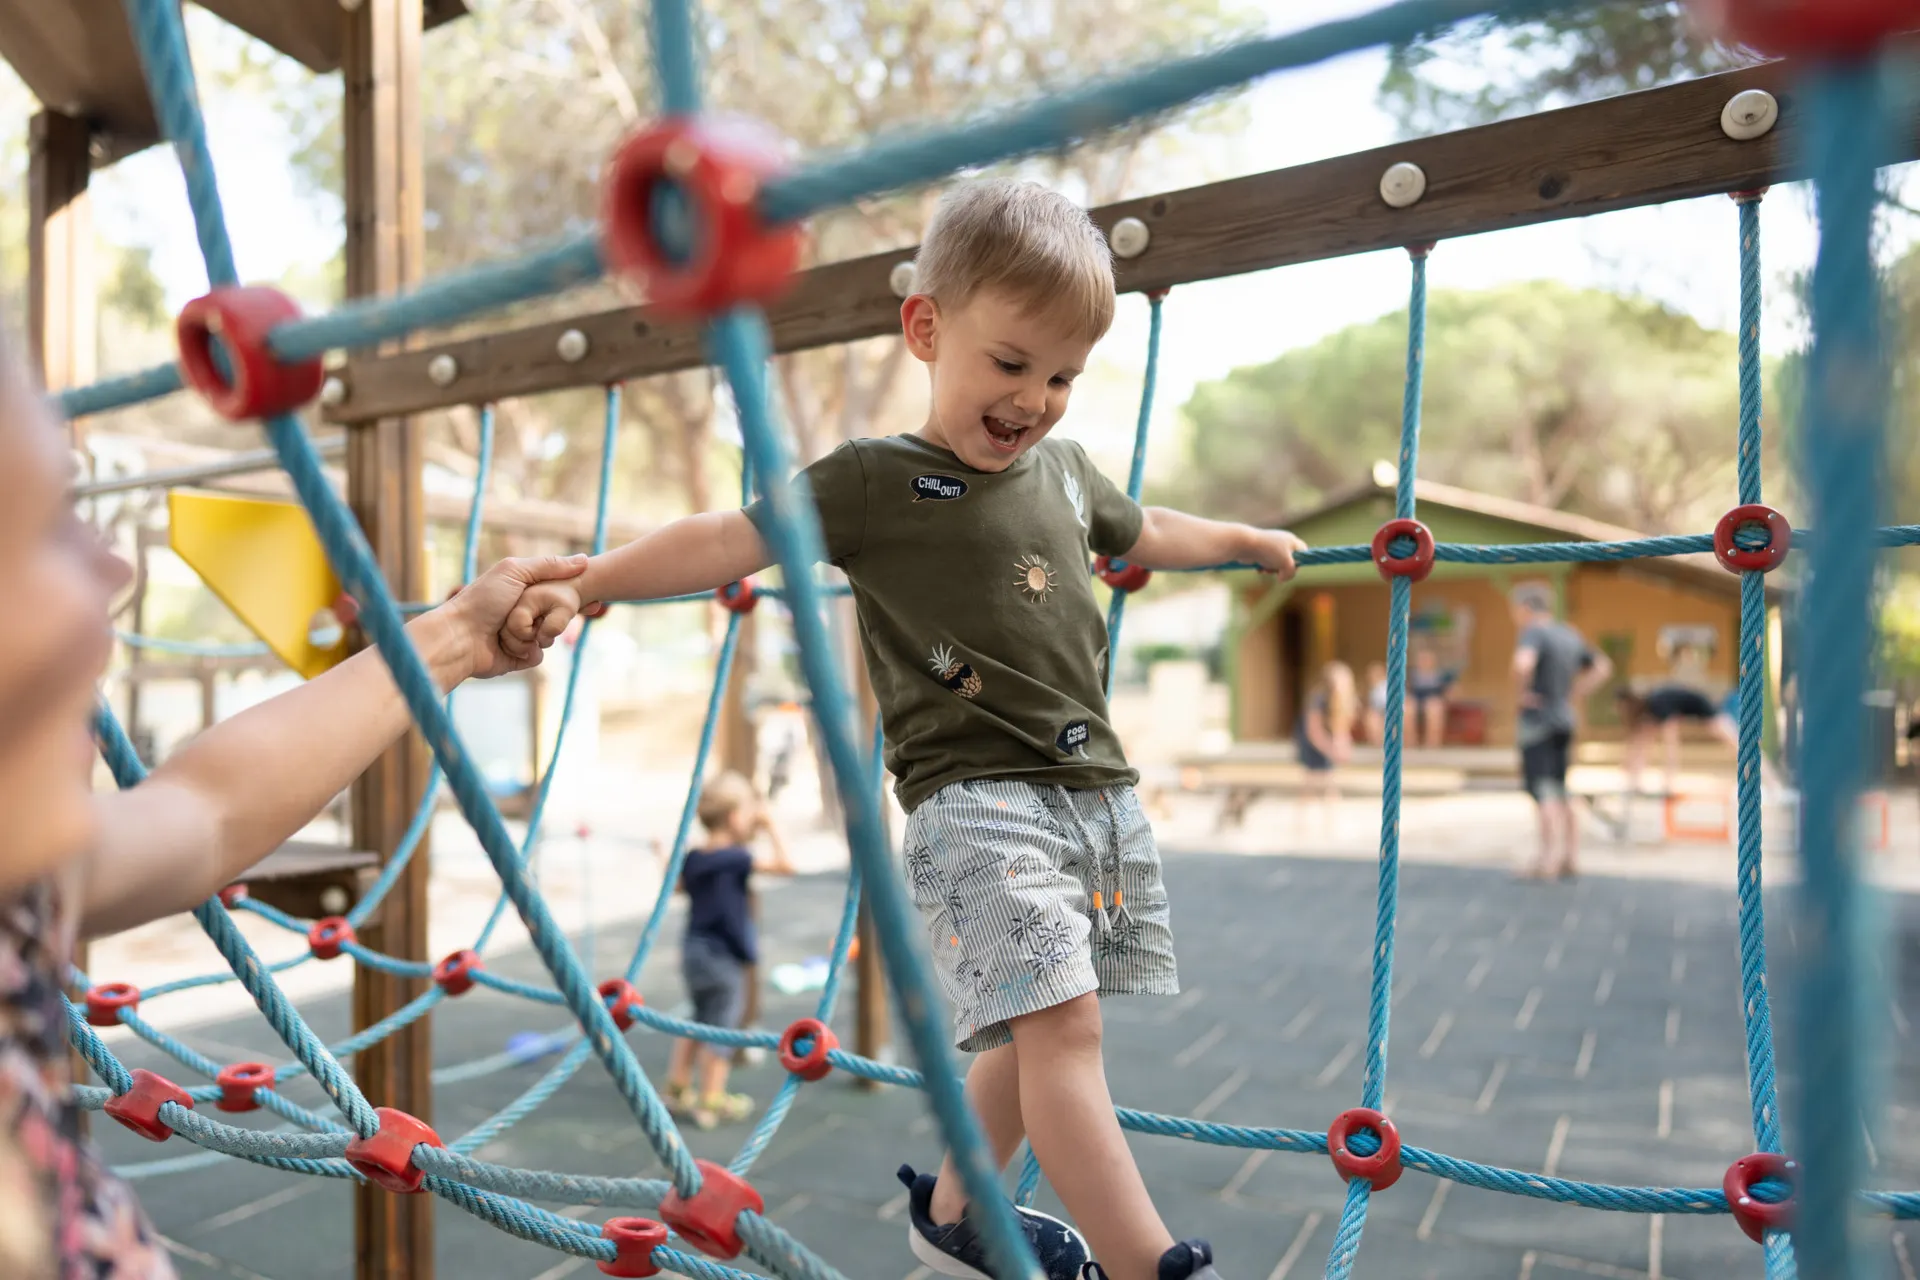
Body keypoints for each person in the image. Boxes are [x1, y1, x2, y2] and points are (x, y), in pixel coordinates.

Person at [502, 177, 1304, 1280]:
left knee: (1037, 1026)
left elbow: (1147, 528)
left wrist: (1243, 535)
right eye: (1013, 362)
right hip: (976, 801)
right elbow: (730, 537)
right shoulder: (876, 481)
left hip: (1096, 797)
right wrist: (599, 579)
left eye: (1064, 374)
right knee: (1067, 1031)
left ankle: (961, 1210)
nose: (1037, 397)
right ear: (926, 330)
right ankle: (1144, 1262)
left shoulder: (1065, 474)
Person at [0, 338, 593, 1279]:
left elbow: (205, 810)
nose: (112, 570)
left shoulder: (17, 895)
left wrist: (447, 639)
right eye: (43, 527)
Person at [663, 770, 794, 1129]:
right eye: (750, 814)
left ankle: (675, 1088)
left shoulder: (695, 857)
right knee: (722, 1029)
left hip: (693, 951)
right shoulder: (736, 857)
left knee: (698, 1017)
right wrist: (769, 825)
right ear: (736, 817)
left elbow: (676, 888)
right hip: (722, 957)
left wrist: (663, 856)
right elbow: (787, 865)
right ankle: (710, 1100)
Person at [1509, 583, 1612, 880]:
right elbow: (1603, 667)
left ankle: (1546, 861)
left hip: (1539, 722)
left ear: (1526, 608)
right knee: (1562, 788)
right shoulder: (1569, 633)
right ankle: (1570, 857)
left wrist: (1522, 693)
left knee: (1544, 793)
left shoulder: (1533, 632)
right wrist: (1574, 693)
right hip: (1565, 720)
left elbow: (1522, 662)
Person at [1614, 683, 1739, 796]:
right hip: (1691, 706)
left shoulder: (1658, 705)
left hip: (1702, 706)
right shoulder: (1649, 710)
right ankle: (1634, 780)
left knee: (1729, 738)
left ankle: (1755, 765)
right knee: (1643, 739)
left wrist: (1668, 783)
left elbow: (1671, 743)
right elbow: (1639, 742)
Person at [1295, 661, 1356, 830]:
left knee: (1328, 781)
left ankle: (1329, 821)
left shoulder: (1342, 700)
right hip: (1313, 743)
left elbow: (1341, 728)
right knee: (1313, 781)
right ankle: (1303, 821)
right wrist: (1331, 750)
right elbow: (1314, 731)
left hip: (1326, 742)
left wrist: (1343, 746)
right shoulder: (1319, 699)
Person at [1408, 643, 1454, 748]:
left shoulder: (1441, 676)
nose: (1425, 662)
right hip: (1415, 701)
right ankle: (1410, 743)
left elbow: (1449, 693)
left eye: (1428, 659)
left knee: (1433, 708)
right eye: (1422, 659)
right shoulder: (1411, 675)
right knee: (1407, 709)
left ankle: (1432, 744)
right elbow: (1407, 691)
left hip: (1433, 702)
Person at [1362, 660, 1388, 745]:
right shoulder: (1372, 689)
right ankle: (1376, 743)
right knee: (1371, 717)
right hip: (1378, 712)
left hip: (1386, 711)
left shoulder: (1386, 686)